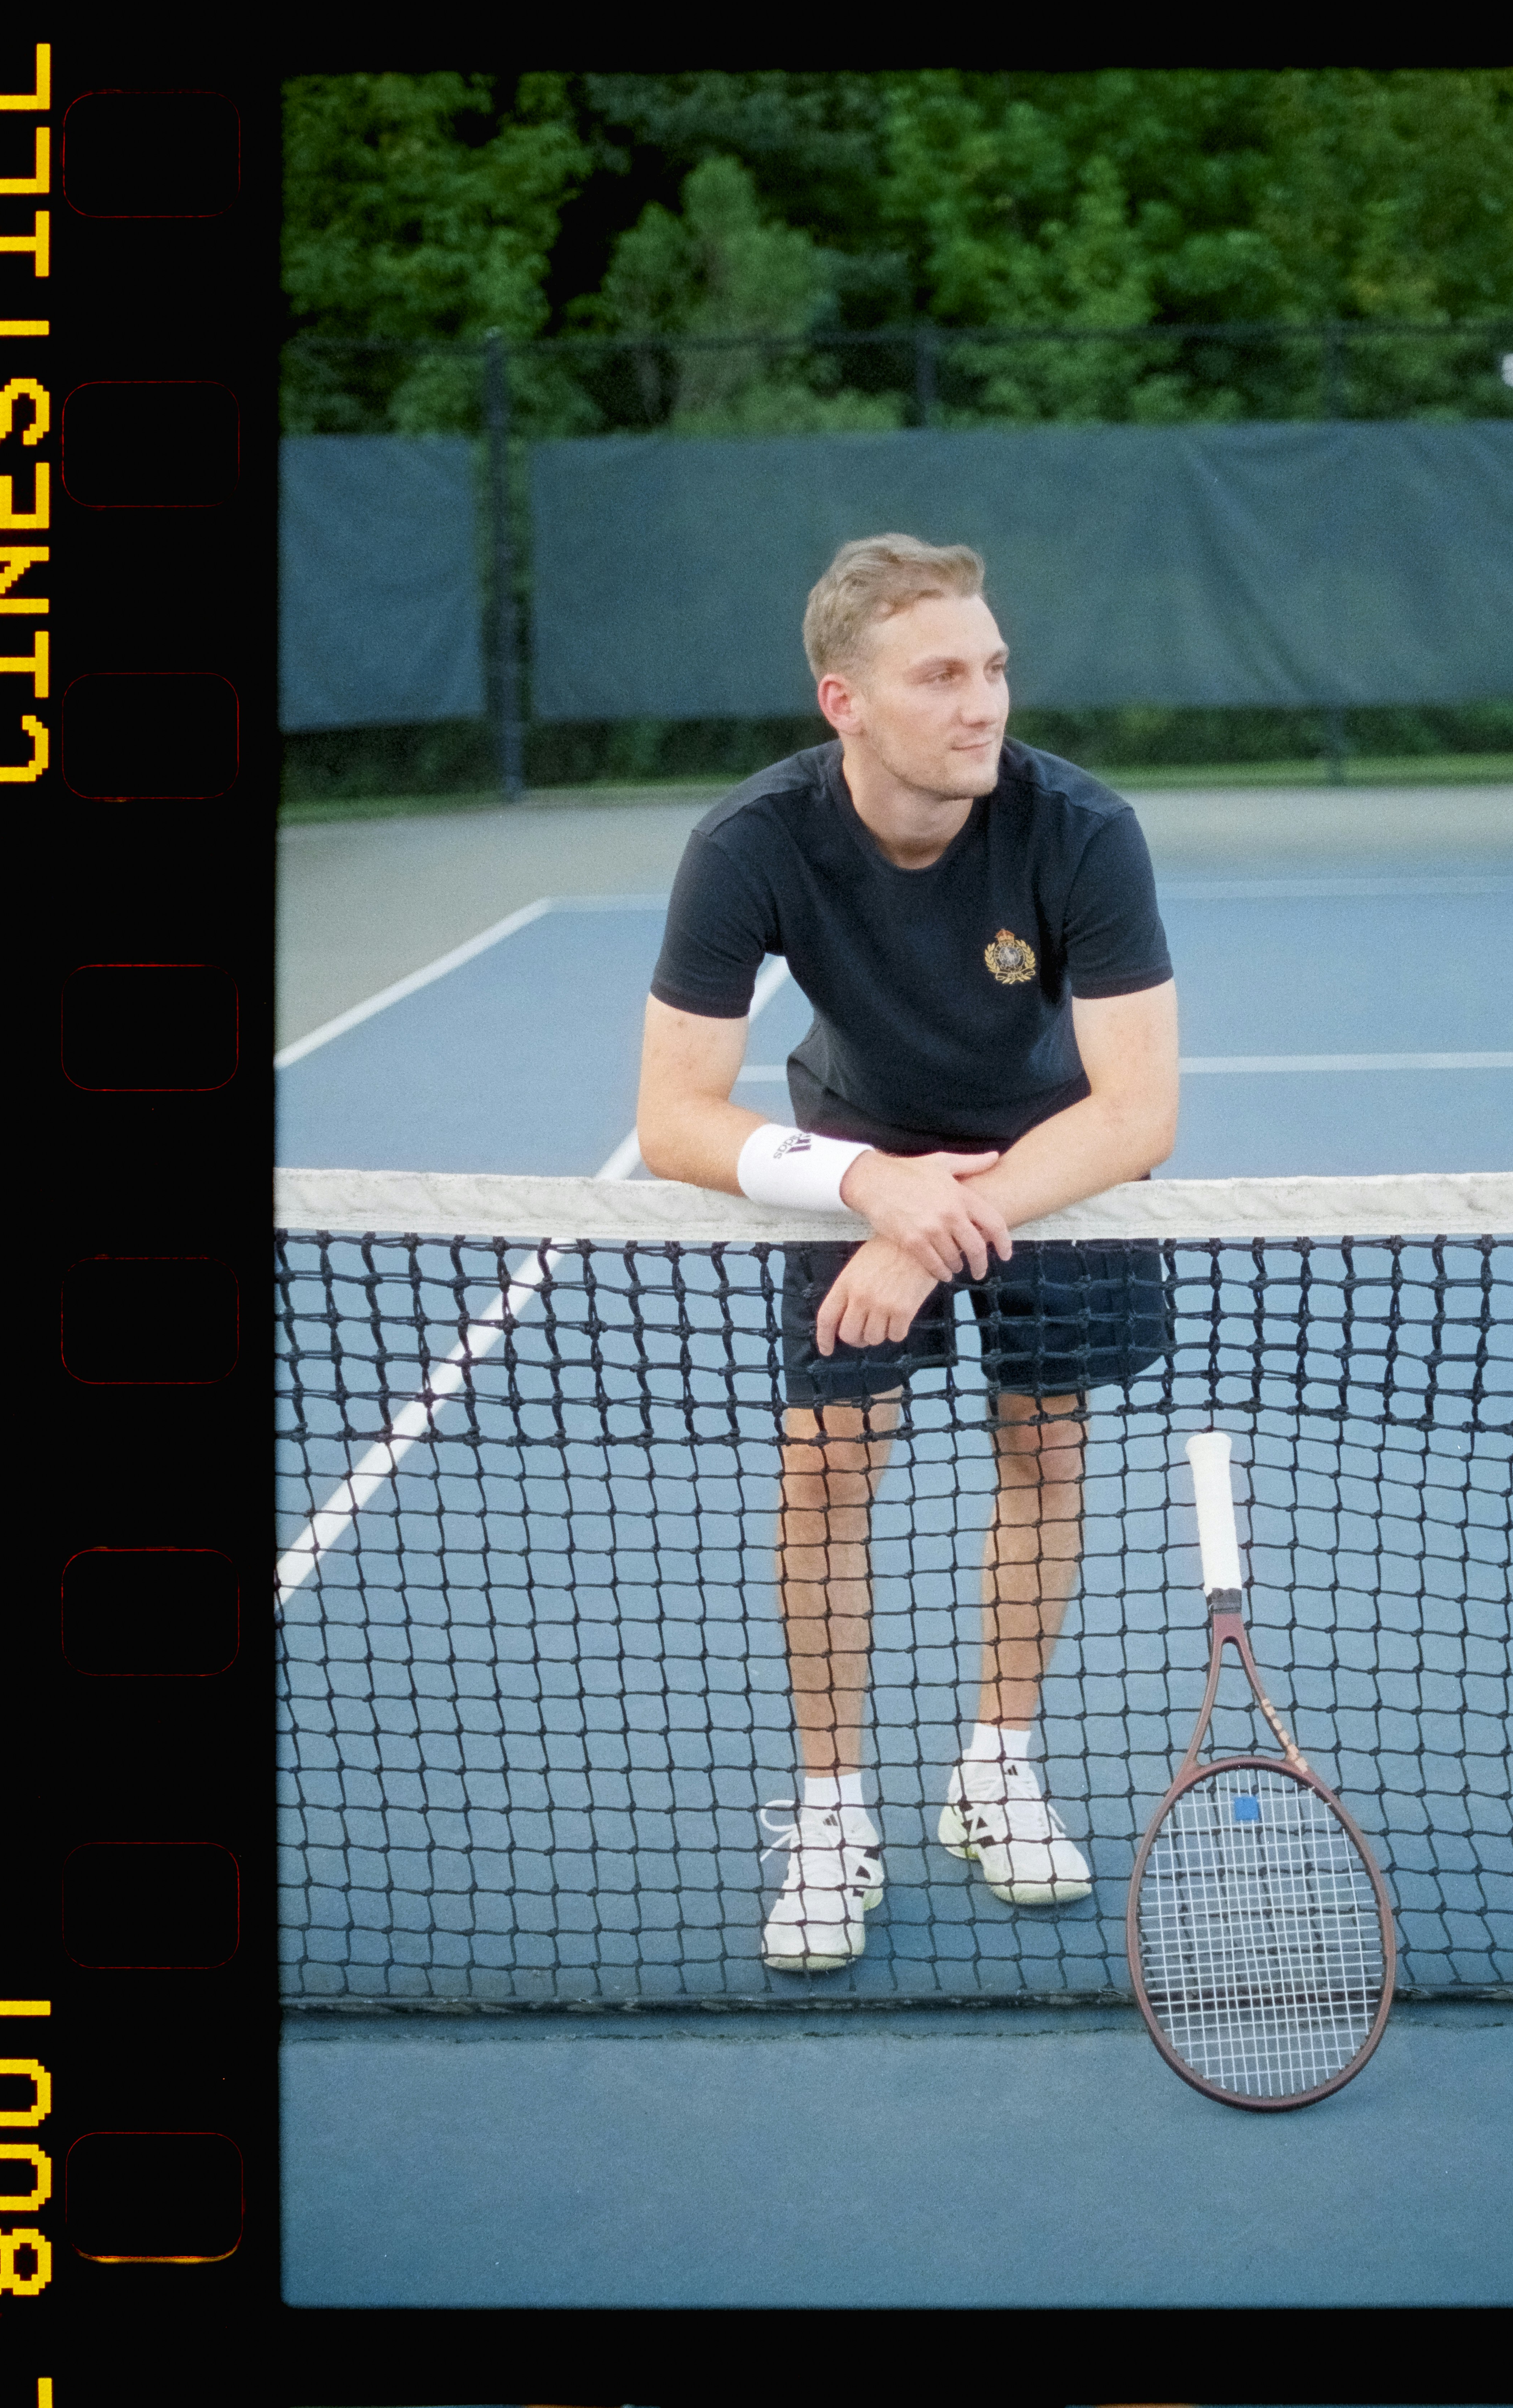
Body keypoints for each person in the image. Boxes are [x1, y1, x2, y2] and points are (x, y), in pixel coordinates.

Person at [635, 532, 1179, 1971]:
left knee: (1045, 1448)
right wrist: (871, 1186)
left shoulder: (1082, 829)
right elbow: (673, 1117)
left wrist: (931, 1240)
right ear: (846, 703)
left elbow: (1140, 1109)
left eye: (993, 668)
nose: (983, 703)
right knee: (830, 1466)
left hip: (1053, 1156)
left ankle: (996, 1769)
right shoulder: (748, 845)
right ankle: (829, 1811)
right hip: (856, 1140)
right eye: (941, 675)